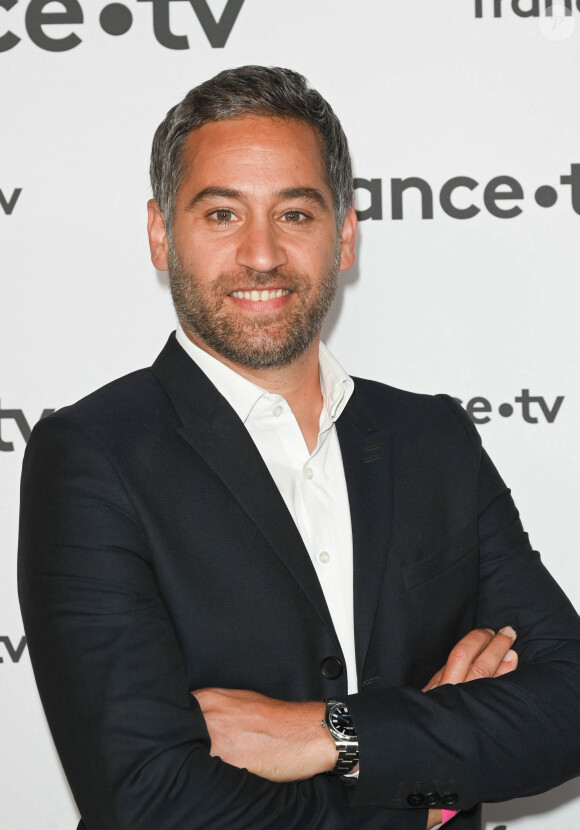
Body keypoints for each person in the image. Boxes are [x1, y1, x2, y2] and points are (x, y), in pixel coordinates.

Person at [18, 66, 580, 830]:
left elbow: (568, 703)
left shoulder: (434, 439)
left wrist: (331, 735)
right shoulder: (90, 457)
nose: (260, 255)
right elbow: (149, 797)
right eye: (221, 214)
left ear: (344, 234)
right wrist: (423, 790)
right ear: (161, 233)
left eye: (296, 214)